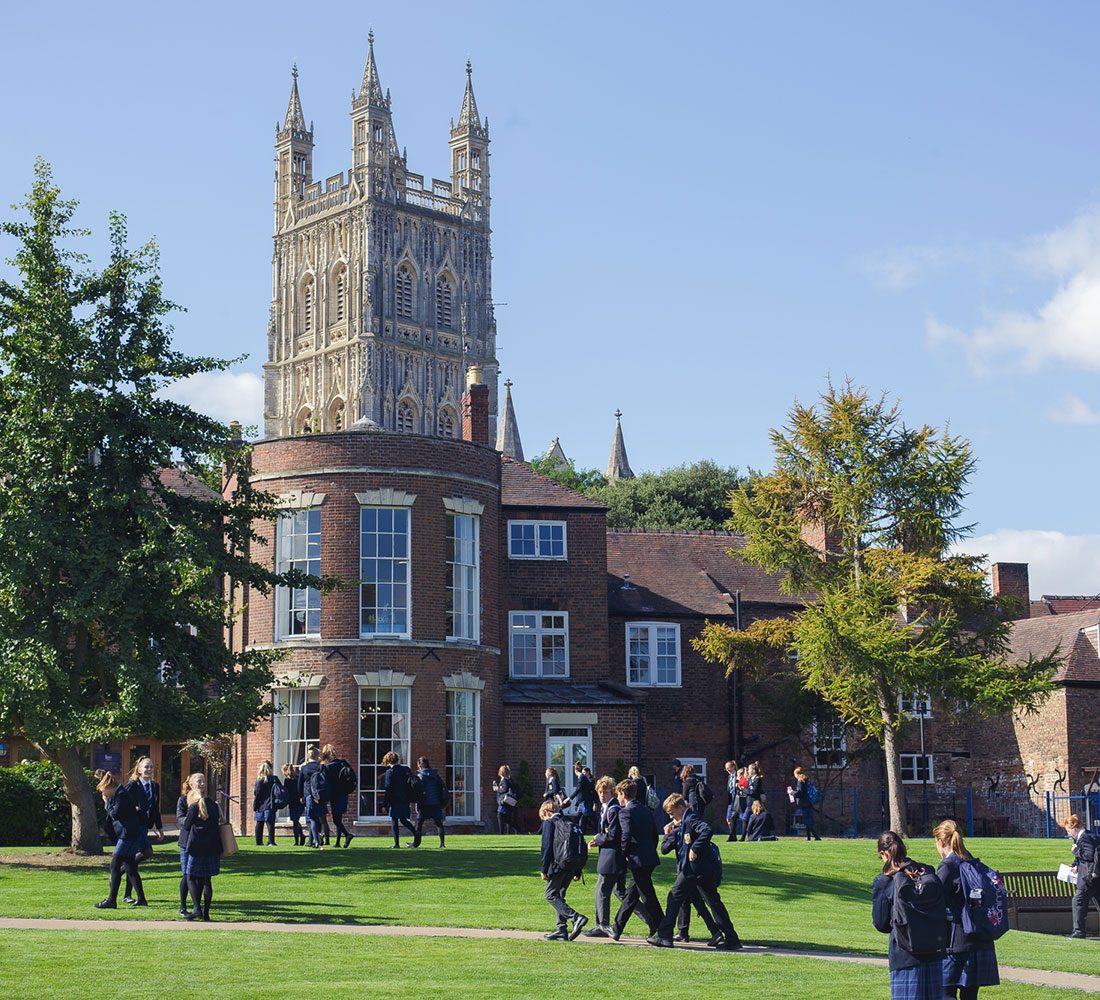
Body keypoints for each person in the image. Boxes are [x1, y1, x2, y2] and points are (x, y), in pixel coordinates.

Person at [648, 793, 741, 950]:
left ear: (680, 807)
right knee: (714, 903)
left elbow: (707, 830)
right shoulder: (684, 821)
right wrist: (670, 834)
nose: (671, 817)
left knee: (674, 897)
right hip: (702, 870)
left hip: (693, 869)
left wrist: (695, 849)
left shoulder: (690, 818)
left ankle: (664, 936)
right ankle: (732, 939)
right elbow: (665, 849)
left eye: (672, 813)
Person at [872, 830, 946, 1000]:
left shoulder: (884, 881)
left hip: (904, 954)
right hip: (934, 949)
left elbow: (881, 923)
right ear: (904, 848)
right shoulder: (927, 871)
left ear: (883, 853)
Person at [933, 819, 1000, 1000]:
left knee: (945, 992)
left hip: (956, 940)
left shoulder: (948, 866)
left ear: (940, 842)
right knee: (970, 995)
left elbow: (936, 899)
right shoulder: (972, 862)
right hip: (980, 936)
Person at [610, 778, 665, 941]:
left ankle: (663, 927)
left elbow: (626, 834)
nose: (618, 799)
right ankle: (617, 928)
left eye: (618, 795)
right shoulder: (645, 810)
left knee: (648, 896)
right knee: (631, 895)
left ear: (622, 794)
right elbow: (654, 835)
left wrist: (624, 853)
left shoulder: (625, 812)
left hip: (637, 858)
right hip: (648, 857)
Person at [94, 770, 150, 910]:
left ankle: (111, 900)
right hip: (128, 834)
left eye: (104, 791)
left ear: (110, 787)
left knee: (115, 865)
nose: (104, 794)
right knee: (130, 868)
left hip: (128, 835)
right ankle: (142, 899)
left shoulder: (122, 795)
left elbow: (115, 814)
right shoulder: (118, 793)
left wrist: (106, 803)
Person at [538, 799, 588, 940]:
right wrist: (577, 871)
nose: (543, 819)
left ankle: (576, 917)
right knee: (560, 895)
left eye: (543, 816)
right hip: (571, 865)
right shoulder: (570, 823)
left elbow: (546, 847)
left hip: (558, 864)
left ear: (547, 812)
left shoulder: (550, 822)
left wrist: (544, 869)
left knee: (550, 895)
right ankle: (561, 929)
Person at [585, 776, 625, 938]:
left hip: (612, 856)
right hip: (612, 856)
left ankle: (602, 925)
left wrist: (598, 840)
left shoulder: (613, 809)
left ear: (612, 792)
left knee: (601, 891)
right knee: (621, 893)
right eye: (600, 792)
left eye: (605, 792)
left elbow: (613, 836)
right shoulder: (605, 808)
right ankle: (652, 921)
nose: (602, 795)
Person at [180, 775, 224, 921]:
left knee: (191, 877)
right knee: (207, 880)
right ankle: (206, 913)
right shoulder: (214, 805)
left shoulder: (193, 807)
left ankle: (197, 908)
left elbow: (186, 825)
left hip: (196, 847)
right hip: (212, 846)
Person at [122, 756, 163, 904]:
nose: (149, 769)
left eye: (151, 767)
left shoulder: (154, 786)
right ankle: (124, 873)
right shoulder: (133, 784)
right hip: (134, 825)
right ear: (139, 769)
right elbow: (122, 802)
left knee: (133, 861)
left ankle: (126, 890)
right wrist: (134, 808)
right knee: (147, 852)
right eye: (146, 767)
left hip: (145, 825)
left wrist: (159, 827)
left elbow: (155, 808)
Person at [1065, 814, 1100, 940]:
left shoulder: (1084, 837)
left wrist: (1075, 851)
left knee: (1078, 901)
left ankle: (1079, 931)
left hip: (1088, 878)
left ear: (1074, 827)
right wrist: (1076, 864)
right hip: (1096, 876)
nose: (1069, 834)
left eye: (1069, 830)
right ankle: (1078, 931)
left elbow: (1089, 855)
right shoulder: (1091, 835)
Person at [381, 750, 418, 848]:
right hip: (405, 799)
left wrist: (385, 804)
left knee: (394, 820)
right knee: (403, 819)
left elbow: (388, 788)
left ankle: (396, 843)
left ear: (388, 761)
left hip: (394, 800)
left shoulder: (390, 772)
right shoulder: (406, 769)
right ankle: (416, 833)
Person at [321, 744, 355, 849]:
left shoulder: (328, 767)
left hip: (334, 795)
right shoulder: (343, 763)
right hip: (344, 793)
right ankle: (338, 842)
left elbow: (326, 783)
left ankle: (347, 835)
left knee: (336, 820)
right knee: (338, 818)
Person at [410, 756, 448, 848]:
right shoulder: (436, 775)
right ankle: (442, 844)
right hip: (436, 803)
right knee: (439, 824)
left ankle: (415, 844)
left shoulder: (420, 776)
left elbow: (418, 791)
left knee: (419, 825)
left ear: (420, 765)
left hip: (424, 804)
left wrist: (416, 804)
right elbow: (441, 788)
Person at [298, 745, 324, 848]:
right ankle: (316, 839)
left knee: (312, 818)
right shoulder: (321, 767)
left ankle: (316, 840)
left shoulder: (304, 768)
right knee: (319, 818)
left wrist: (301, 796)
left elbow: (300, 783)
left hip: (309, 795)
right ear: (317, 755)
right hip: (320, 796)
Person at [253, 761, 278, 846]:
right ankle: (271, 841)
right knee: (270, 823)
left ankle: (259, 842)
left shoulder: (260, 780)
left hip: (261, 804)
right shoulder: (275, 779)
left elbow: (257, 793)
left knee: (259, 823)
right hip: (271, 803)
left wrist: (255, 805)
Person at [793, 766, 821, 841]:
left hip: (804, 803)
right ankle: (809, 838)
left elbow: (800, 793)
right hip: (809, 802)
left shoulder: (800, 781)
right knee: (808, 821)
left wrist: (792, 792)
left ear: (796, 774)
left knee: (807, 821)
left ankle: (816, 837)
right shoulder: (806, 780)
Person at [281, 763, 305, 846]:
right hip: (300, 801)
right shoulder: (298, 777)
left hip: (293, 802)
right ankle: (301, 836)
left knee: (295, 821)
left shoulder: (287, 780)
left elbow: (287, 792)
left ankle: (297, 841)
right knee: (296, 820)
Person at [570, 762, 597, 834]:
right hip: (581, 802)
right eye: (582, 772)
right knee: (580, 818)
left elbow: (593, 792)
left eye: (584, 772)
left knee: (590, 817)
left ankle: (599, 830)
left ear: (588, 772)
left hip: (587, 802)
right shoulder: (582, 778)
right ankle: (580, 832)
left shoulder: (590, 780)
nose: (583, 774)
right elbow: (580, 792)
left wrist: (595, 803)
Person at [493, 764, 520, 835]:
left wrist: (497, 789)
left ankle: (501, 833)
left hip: (504, 801)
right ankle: (516, 829)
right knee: (506, 819)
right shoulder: (508, 779)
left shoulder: (504, 780)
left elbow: (505, 789)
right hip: (506, 802)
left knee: (500, 816)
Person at [741, 762, 763, 841]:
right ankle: (745, 836)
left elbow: (753, 791)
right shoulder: (750, 779)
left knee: (746, 819)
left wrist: (744, 790)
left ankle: (749, 836)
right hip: (749, 803)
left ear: (753, 770)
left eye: (749, 769)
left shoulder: (757, 779)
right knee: (745, 819)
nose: (748, 770)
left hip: (755, 803)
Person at [724, 760, 739, 842]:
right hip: (730, 800)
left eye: (728, 768)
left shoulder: (738, 775)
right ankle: (733, 835)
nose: (727, 770)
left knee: (733, 818)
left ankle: (732, 836)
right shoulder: (729, 777)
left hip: (737, 799)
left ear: (733, 767)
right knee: (728, 819)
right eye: (726, 768)